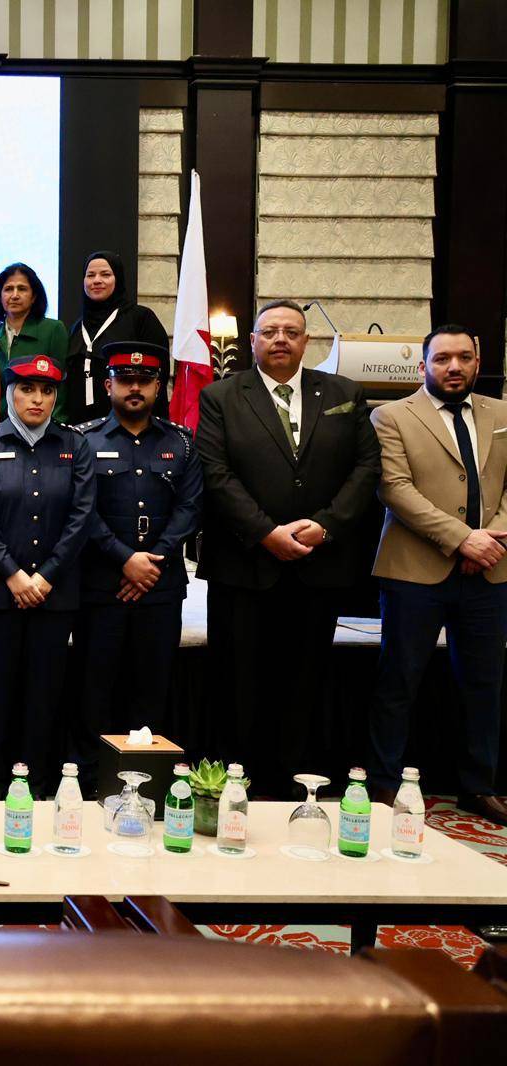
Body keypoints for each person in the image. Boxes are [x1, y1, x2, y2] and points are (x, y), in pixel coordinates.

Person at [195, 299, 381, 798]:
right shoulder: (220, 396)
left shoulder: (343, 393)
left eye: (291, 332)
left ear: (306, 341)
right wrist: (266, 532)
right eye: (270, 331)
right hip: (244, 566)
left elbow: (367, 468)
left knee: (304, 683)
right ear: (252, 341)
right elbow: (215, 473)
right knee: (239, 684)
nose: (280, 339)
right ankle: (234, 787)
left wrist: (325, 526)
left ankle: (294, 788)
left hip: (318, 567)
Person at [367, 326, 507, 823]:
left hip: (490, 569)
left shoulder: (502, 414)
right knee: (399, 682)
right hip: (414, 571)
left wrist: (488, 540)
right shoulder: (391, 416)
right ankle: (384, 784)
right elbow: (395, 489)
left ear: (477, 362)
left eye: (464, 358)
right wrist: (462, 538)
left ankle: (478, 786)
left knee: (484, 683)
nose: (454, 367)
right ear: (422, 364)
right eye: (442, 358)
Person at [0, 354, 94, 798]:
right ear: (9, 393)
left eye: (47, 391)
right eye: (27, 389)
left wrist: (46, 575)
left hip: (54, 597)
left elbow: (81, 516)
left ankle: (36, 786)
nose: (37, 399)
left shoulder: (74, 445)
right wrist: (14, 575)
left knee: (44, 697)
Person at [75, 342, 201, 794]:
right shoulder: (84, 440)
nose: (134, 388)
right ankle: (91, 785)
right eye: (125, 380)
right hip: (102, 587)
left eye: (144, 381)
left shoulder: (181, 442)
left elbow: (190, 508)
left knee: (151, 690)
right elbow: (81, 510)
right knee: (95, 690)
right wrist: (125, 559)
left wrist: (152, 561)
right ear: (107, 385)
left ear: (159, 387)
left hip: (160, 589)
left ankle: (145, 787)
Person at [64, 251, 170, 424]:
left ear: (118, 279)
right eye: (90, 275)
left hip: (130, 425)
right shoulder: (77, 327)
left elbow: (160, 374)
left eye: (105, 274)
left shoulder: (141, 318)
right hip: (80, 427)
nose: (97, 280)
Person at [0, 263, 68, 388]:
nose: (14, 295)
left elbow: (61, 385)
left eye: (22, 289)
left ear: (34, 296)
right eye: (8, 289)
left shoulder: (53, 329)